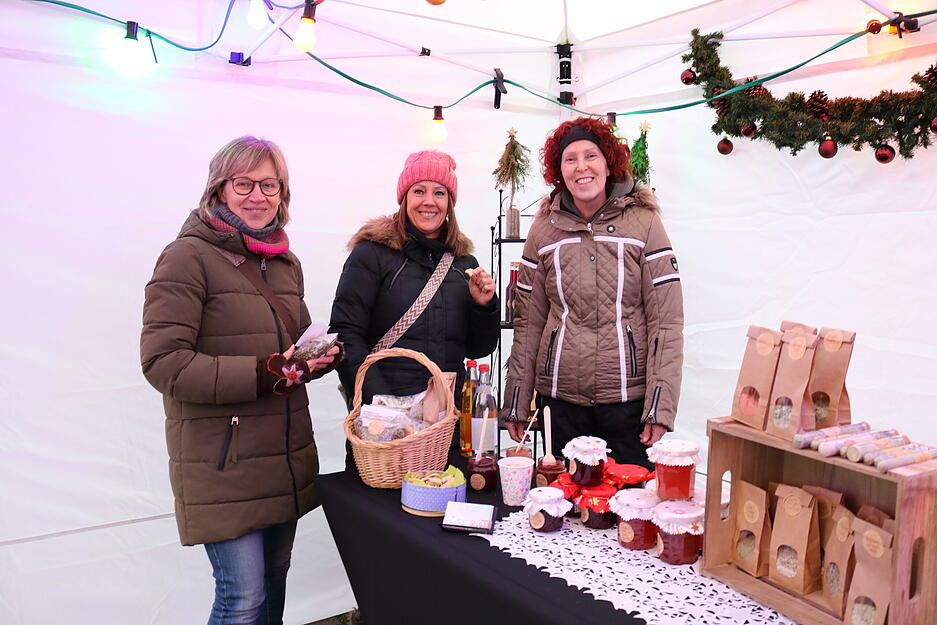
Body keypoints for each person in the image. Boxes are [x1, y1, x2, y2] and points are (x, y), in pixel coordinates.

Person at [140, 135, 341, 625]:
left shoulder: (284, 261)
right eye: (244, 183)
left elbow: (292, 348)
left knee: (273, 586)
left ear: (283, 194)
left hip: (280, 455)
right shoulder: (186, 257)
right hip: (223, 461)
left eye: (269, 185)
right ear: (219, 189)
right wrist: (265, 372)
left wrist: (318, 356)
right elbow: (163, 362)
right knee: (242, 598)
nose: (257, 196)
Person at [503, 118, 684, 469]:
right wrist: (516, 402)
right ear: (559, 170)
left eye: (591, 156)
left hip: (627, 404)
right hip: (560, 402)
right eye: (570, 159)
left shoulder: (645, 223)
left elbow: (667, 322)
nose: (581, 167)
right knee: (563, 508)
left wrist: (659, 407)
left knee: (628, 511)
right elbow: (527, 325)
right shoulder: (543, 230)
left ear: (608, 163)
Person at [329, 150, 499, 443]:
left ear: (450, 203)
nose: (429, 201)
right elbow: (345, 334)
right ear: (404, 198)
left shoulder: (463, 264)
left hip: (446, 420)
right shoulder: (371, 254)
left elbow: (478, 349)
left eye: (440, 192)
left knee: (444, 487)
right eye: (418, 191)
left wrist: (483, 306)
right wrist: (381, 406)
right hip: (383, 422)